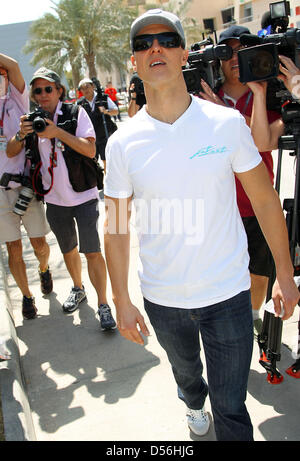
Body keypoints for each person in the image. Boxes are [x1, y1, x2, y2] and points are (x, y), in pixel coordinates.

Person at [103, 9, 300, 441]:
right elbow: (116, 227)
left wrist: (284, 274)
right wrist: (121, 299)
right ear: (134, 61)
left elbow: (266, 203)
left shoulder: (227, 124)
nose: (156, 48)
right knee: (190, 381)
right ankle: (192, 404)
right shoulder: (122, 144)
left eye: (167, 40)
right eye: (143, 43)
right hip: (163, 299)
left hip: (228, 294)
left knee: (231, 407)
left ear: (183, 53)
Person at [7, 67, 116, 331]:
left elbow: (90, 149)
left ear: (59, 91)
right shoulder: (31, 121)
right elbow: (11, 152)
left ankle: (103, 304)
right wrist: (22, 134)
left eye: (48, 89)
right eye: (37, 90)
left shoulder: (75, 113)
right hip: (55, 201)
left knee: (92, 251)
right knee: (68, 250)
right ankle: (78, 289)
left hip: (84, 195)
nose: (42, 94)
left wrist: (58, 133)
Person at [199, 25, 286, 336]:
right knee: (222, 274)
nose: (235, 57)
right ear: (218, 59)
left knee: (259, 274)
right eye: (228, 51)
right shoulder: (204, 95)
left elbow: (263, 142)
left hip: (256, 205)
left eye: (243, 50)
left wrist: (235, 108)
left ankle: (249, 318)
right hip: (218, 206)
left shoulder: (270, 95)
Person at [0, 54, 52, 320]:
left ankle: (44, 269)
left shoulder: (15, 100)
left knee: (39, 244)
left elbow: (14, 65)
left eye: (1, 75)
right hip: (0, 193)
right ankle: (27, 297)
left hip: (25, 185)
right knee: (14, 249)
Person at [77, 78, 118, 172]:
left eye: (87, 86)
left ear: (93, 86)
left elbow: (115, 111)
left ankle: (108, 181)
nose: (86, 90)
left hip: (104, 134)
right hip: (90, 138)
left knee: (106, 159)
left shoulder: (103, 98)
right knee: (92, 161)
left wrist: (106, 111)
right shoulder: (80, 103)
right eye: (83, 88)